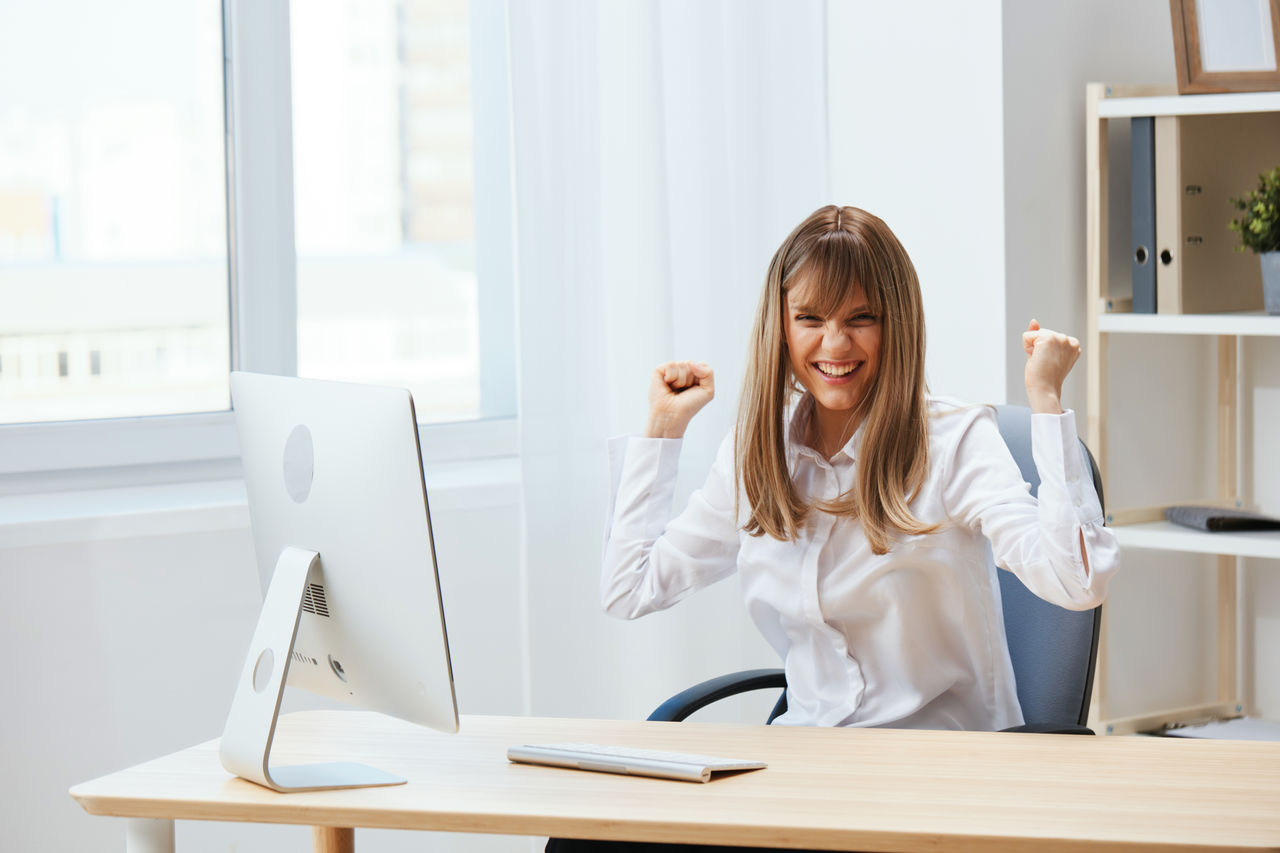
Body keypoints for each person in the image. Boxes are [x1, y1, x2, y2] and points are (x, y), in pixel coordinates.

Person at [545, 205, 1118, 853]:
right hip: (801, 769)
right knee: (587, 838)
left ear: (895, 324)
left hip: (933, 775)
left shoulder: (954, 441)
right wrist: (662, 431)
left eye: (860, 318)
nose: (835, 345)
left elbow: (1078, 581)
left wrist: (1046, 401)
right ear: (781, 327)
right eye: (811, 319)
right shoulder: (760, 449)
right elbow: (629, 588)